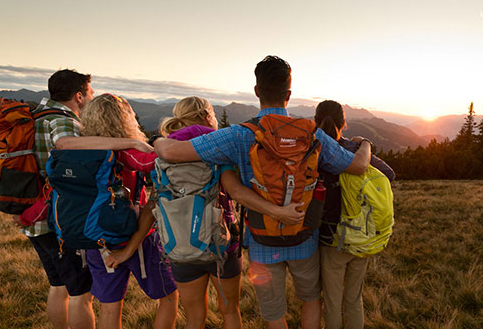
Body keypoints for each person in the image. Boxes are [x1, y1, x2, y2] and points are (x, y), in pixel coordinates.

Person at [153, 55, 372, 329]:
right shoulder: (312, 133)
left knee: (273, 313)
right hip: (304, 236)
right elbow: (359, 165)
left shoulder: (239, 134)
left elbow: (171, 152)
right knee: (310, 301)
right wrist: (365, 143)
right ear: (289, 94)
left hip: (262, 241)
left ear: (257, 91)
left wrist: (157, 139)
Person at [105, 95, 306, 329]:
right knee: (230, 311)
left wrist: (127, 250)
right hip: (221, 244)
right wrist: (279, 212)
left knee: (194, 316)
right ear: (205, 116)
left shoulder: (164, 156)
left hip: (179, 246)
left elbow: (153, 207)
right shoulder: (216, 151)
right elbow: (237, 192)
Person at [25, 69, 153, 329]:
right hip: (66, 218)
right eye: (90, 93)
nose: (91, 97)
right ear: (79, 95)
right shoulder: (64, 121)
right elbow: (65, 145)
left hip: (36, 216)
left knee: (59, 284)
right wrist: (130, 141)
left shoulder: (36, 117)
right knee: (80, 293)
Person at [77, 93, 179, 329]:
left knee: (110, 306)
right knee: (169, 296)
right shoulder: (125, 150)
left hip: (95, 237)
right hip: (133, 234)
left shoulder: (81, 148)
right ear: (124, 119)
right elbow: (155, 161)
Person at [314, 100, 395, 329]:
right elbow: (388, 174)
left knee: (332, 300)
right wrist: (365, 145)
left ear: (315, 122)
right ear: (344, 123)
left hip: (331, 238)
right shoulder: (353, 150)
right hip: (362, 235)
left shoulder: (314, 151)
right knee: (353, 298)